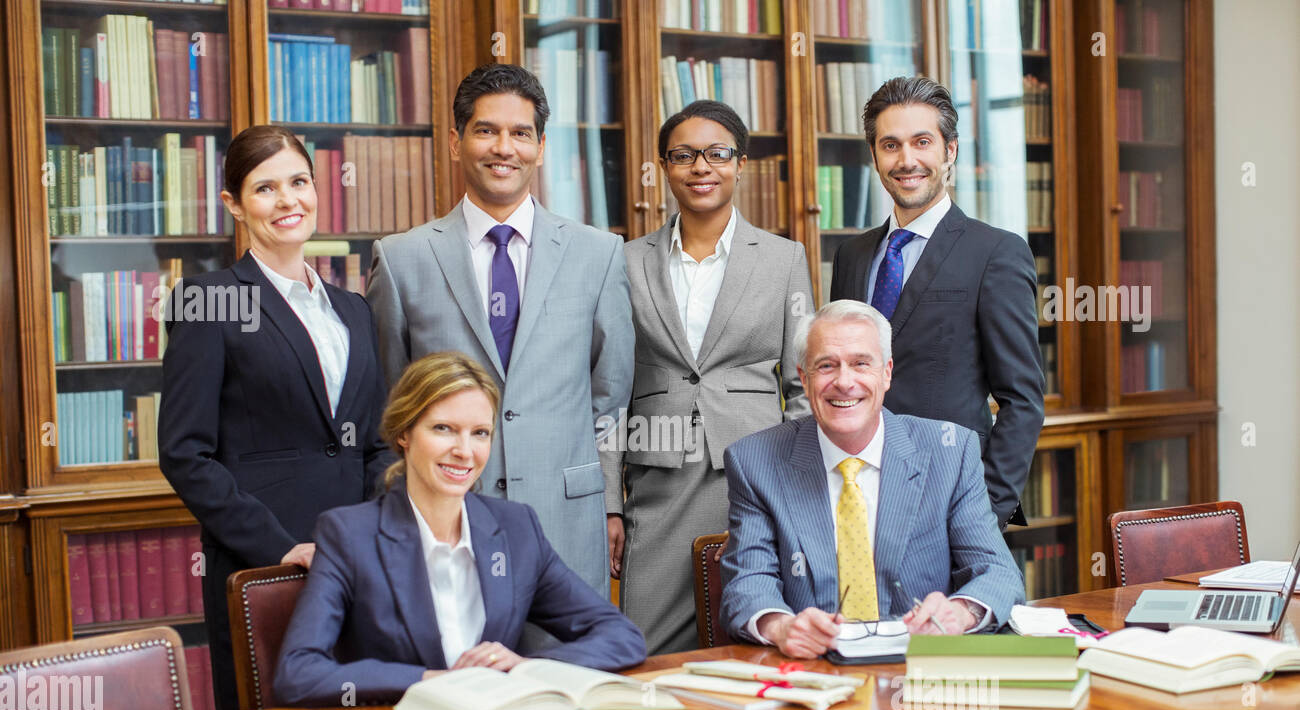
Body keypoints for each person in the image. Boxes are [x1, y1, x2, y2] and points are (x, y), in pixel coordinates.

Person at [367, 63, 633, 600]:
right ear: (455, 142)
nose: (502, 148)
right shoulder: (401, 259)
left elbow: (611, 392)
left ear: (539, 146)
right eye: (486, 130)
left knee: (568, 677)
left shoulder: (597, 253)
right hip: (447, 519)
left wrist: (609, 501)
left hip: (566, 519)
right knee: (462, 676)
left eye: (519, 133)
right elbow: (393, 401)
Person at [158, 125, 390, 710]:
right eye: (266, 189)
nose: (289, 201)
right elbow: (185, 453)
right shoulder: (209, 300)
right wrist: (283, 547)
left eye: (299, 182)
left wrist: (373, 533)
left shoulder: (353, 309)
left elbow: (378, 441)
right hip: (266, 566)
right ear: (234, 204)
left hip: (359, 564)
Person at [273, 352, 645, 707]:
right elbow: (299, 673)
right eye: (444, 429)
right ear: (404, 433)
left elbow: (621, 637)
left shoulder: (517, 530)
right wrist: (429, 681)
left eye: (480, 433)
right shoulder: (350, 534)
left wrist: (527, 667)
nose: (465, 451)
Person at [602, 100, 813, 655]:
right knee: (646, 648)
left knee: (756, 636)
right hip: (656, 477)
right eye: (684, 155)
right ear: (664, 168)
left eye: (717, 153)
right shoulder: (623, 261)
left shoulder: (783, 259)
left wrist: (798, 483)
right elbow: (606, 388)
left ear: (740, 164)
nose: (701, 166)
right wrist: (608, 502)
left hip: (756, 475)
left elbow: (802, 384)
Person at [719, 301, 1025, 660]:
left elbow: (998, 573)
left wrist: (957, 613)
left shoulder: (949, 451)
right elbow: (746, 584)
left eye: (861, 363)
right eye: (826, 366)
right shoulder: (755, 461)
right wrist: (781, 626)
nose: (844, 382)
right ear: (803, 378)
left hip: (920, 671)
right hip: (814, 675)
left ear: (886, 373)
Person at [829, 76, 1044, 529]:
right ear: (874, 156)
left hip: (952, 502)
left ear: (950, 151)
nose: (906, 160)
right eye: (890, 145)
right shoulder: (852, 256)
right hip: (854, 497)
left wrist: (984, 514)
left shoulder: (996, 253)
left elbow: (1022, 399)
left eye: (922, 142)